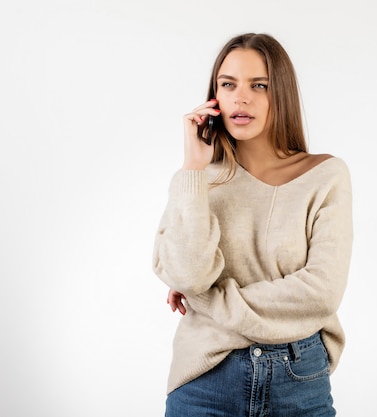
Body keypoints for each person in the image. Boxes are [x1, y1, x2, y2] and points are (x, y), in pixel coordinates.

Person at [152, 33, 353, 417]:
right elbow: (187, 274)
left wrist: (208, 299)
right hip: (205, 379)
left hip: (299, 379)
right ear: (215, 96)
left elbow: (321, 293)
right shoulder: (197, 180)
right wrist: (193, 167)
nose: (241, 98)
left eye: (258, 86)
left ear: (281, 93)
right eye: (228, 84)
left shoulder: (325, 176)